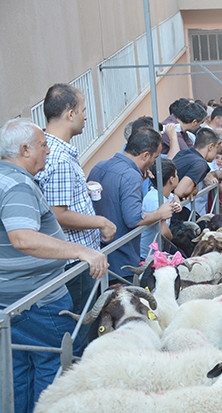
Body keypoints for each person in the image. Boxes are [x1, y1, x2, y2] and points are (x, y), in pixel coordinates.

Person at [0, 118, 108, 413]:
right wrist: (82, 251)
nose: (48, 151)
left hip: (12, 302)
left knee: (17, 373)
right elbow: (22, 237)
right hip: (39, 301)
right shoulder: (18, 185)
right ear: (24, 150)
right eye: (43, 145)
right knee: (54, 369)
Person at [34, 83, 116, 340]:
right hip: (74, 264)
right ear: (69, 113)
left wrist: (83, 189)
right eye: (82, 110)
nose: (86, 116)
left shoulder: (52, 151)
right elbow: (58, 213)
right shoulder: (57, 158)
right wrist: (100, 221)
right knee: (80, 331)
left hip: (74, 260)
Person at [88, 126, 176, 281]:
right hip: (121, 260)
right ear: (145, 155)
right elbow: (134, 218)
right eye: (154, 158)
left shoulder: (99, 166)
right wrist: (159, 213)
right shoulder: (130, 176)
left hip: (97, 255)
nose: (153, 163)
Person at [140, 158, 180, 259]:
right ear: (171, 179)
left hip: (158, 251)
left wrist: (177, 200)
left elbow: (173, 198)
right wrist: (173, 240)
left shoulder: (164, 195)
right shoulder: (154, 200)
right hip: (148, 255)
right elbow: (163, 231)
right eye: (176, 174)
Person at [173, 127, 222, 200]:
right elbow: (180, 192)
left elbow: (194, 190)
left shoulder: (184, 152)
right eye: (216, 148)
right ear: (211, 147)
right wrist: (190, 190)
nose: (216, 153)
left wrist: (191, 190)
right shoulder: (200, 164)